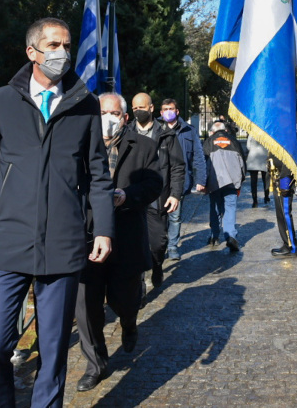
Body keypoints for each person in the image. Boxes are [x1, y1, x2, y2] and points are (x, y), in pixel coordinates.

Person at [0, 17, 114, 407]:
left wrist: (104, 230)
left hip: (62, 247)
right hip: (6, 243)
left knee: (53, 350)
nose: (62, 53)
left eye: (66, 45)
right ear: (32, 52)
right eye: (52, 45)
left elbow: (98, 175)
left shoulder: (85, 104)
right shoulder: (1, 100)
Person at [74, 93, 163, 392]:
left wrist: (127, 196)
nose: (108, 118)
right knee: (86, 305)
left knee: (124, 299)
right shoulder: (77, 144)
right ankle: (96, 364)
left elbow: (154, 184)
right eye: (102, 112)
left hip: (124, 236)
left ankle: (129, 322)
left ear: (124, 117)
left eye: (113, 113)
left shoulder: (145, 146)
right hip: (86, 237)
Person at [129, 92, 185, 284]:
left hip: (158, 197)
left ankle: (157, 265)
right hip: (133, 197)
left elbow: (177, 166)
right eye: (134, 108)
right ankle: (140, 284)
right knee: (135, 244)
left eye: (141, 108)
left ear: (151, 108)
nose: (138, 112)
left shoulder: (166, 135)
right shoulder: (128, 133)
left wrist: (175, 194)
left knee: (158, 242)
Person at [159, 98, 206, 260]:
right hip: (159, 180)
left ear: (177, 111)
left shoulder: (189, 130)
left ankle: (172, 247)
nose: (168, 111)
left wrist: (201, 179)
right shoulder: (157, 128)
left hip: (180, 180)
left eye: (171, 108)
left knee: (175, 216)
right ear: (160, 112)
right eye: (165, 109)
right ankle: (159, 244)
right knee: (158, 216)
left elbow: (198, 157)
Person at [204, 119, 246, 252]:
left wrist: (204, 183)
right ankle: (230, 236)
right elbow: (242, 163)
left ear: (213, 131)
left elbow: (203, 164)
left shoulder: (208, 142)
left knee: (215, 208)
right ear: (225, 130)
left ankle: (214, 236)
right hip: (232, 182)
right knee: (230, 208)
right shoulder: (234, 141)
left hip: (214, 182)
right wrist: (240, 181)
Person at [268, 153, 297, 257]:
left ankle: (291, 246)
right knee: (280, 214)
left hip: (284, 180)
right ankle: (286, 243)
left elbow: (289, 159)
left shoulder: (287, 137)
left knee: (285, 214)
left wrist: (285, 181)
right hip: (277, 179)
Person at [246, 134, 270, 207]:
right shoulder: (266, 133)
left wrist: (254, 150)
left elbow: (248, 146)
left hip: (253, 159)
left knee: (253, 182)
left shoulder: (252, 134)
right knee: (265, 180)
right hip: (264, 157)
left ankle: (255, 200)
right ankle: (266, 197)